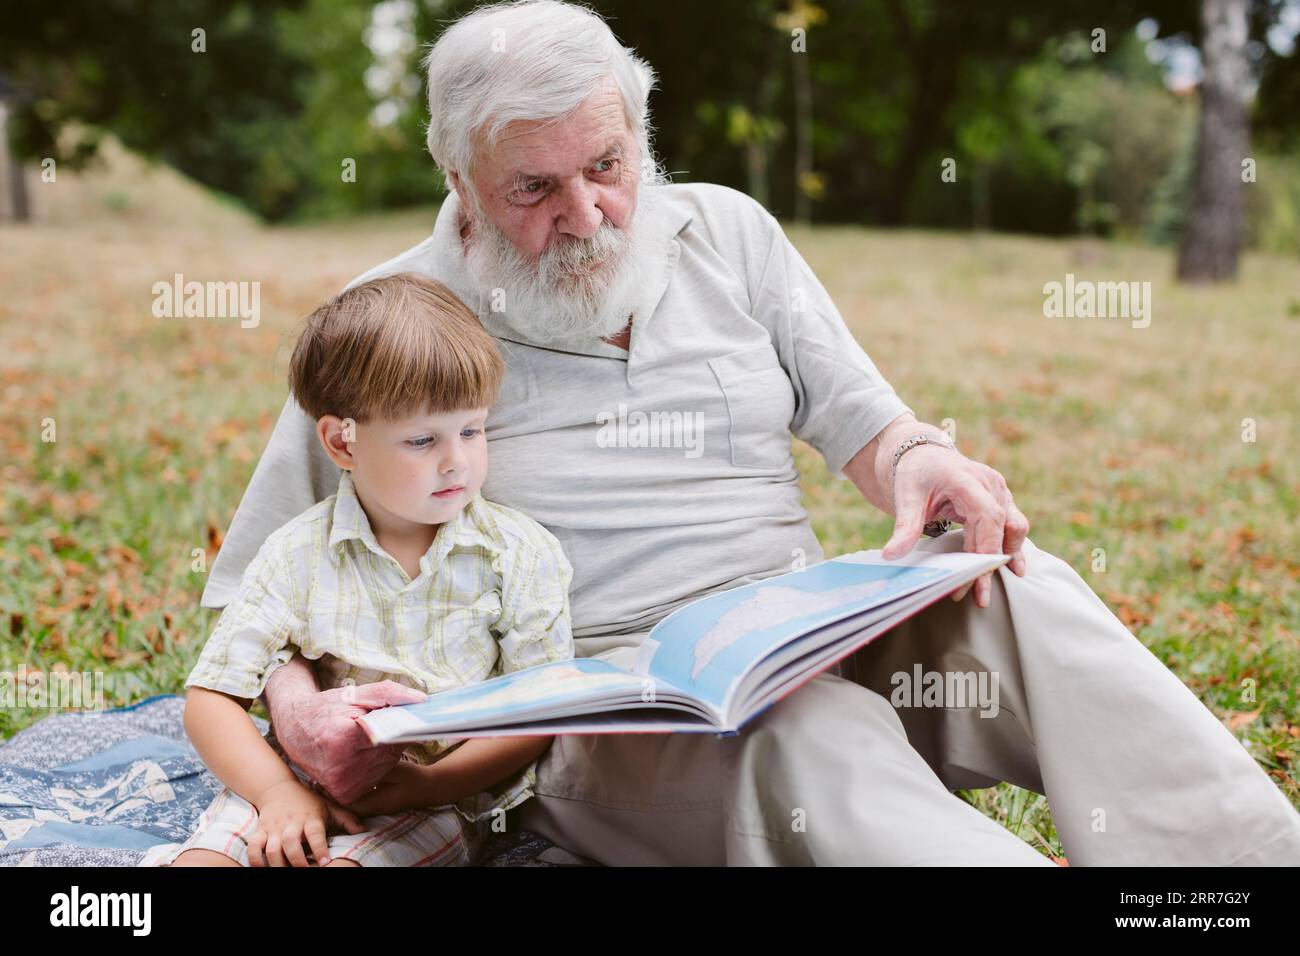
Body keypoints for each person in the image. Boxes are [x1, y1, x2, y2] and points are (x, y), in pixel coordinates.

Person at [199, 0, 1300, 864]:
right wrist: (301, 716)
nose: (585, 216)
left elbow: (867, 421)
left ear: (639, 135)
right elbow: (258, 584)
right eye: (535, 187)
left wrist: (928, 463)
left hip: (796, 629)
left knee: (1016, 584)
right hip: (605, 722)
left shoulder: (727, 231)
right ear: (460, 181)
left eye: (607, 166)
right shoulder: (390, 325)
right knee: (805, 738)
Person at [142, 272, 575, 867]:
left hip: (429, 797)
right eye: (422, 440)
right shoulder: (296, 551)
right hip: (295, 776)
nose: (458, 462)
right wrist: (276, 792)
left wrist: (433, 785)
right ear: (342, 444)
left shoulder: (517, 553)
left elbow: (538, 711)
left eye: (471, 430)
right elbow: (210, 699)